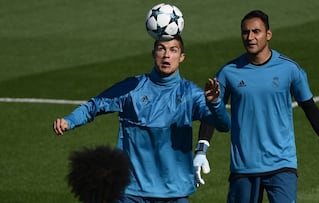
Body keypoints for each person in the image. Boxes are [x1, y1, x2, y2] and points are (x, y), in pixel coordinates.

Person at [53, 35, 230, 203]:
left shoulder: (191, 93)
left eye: (173, 50)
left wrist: (214, 103)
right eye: (161, 49)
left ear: (181, 57)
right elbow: (94, 106)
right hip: (132, 191)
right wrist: (70, 121)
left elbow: (224, 125)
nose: (166, 55)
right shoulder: (132, 88)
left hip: (175, 191)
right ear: (153, 54)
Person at [200, 10, 319, 203]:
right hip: (244, 168)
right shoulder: (229, 72)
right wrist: (201, 150)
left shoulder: (289, 69)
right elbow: (212, 109)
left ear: (268, 34)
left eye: (256, 31)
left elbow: (309, 107)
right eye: (245, 32)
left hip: (282, 165)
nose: (250, 37)